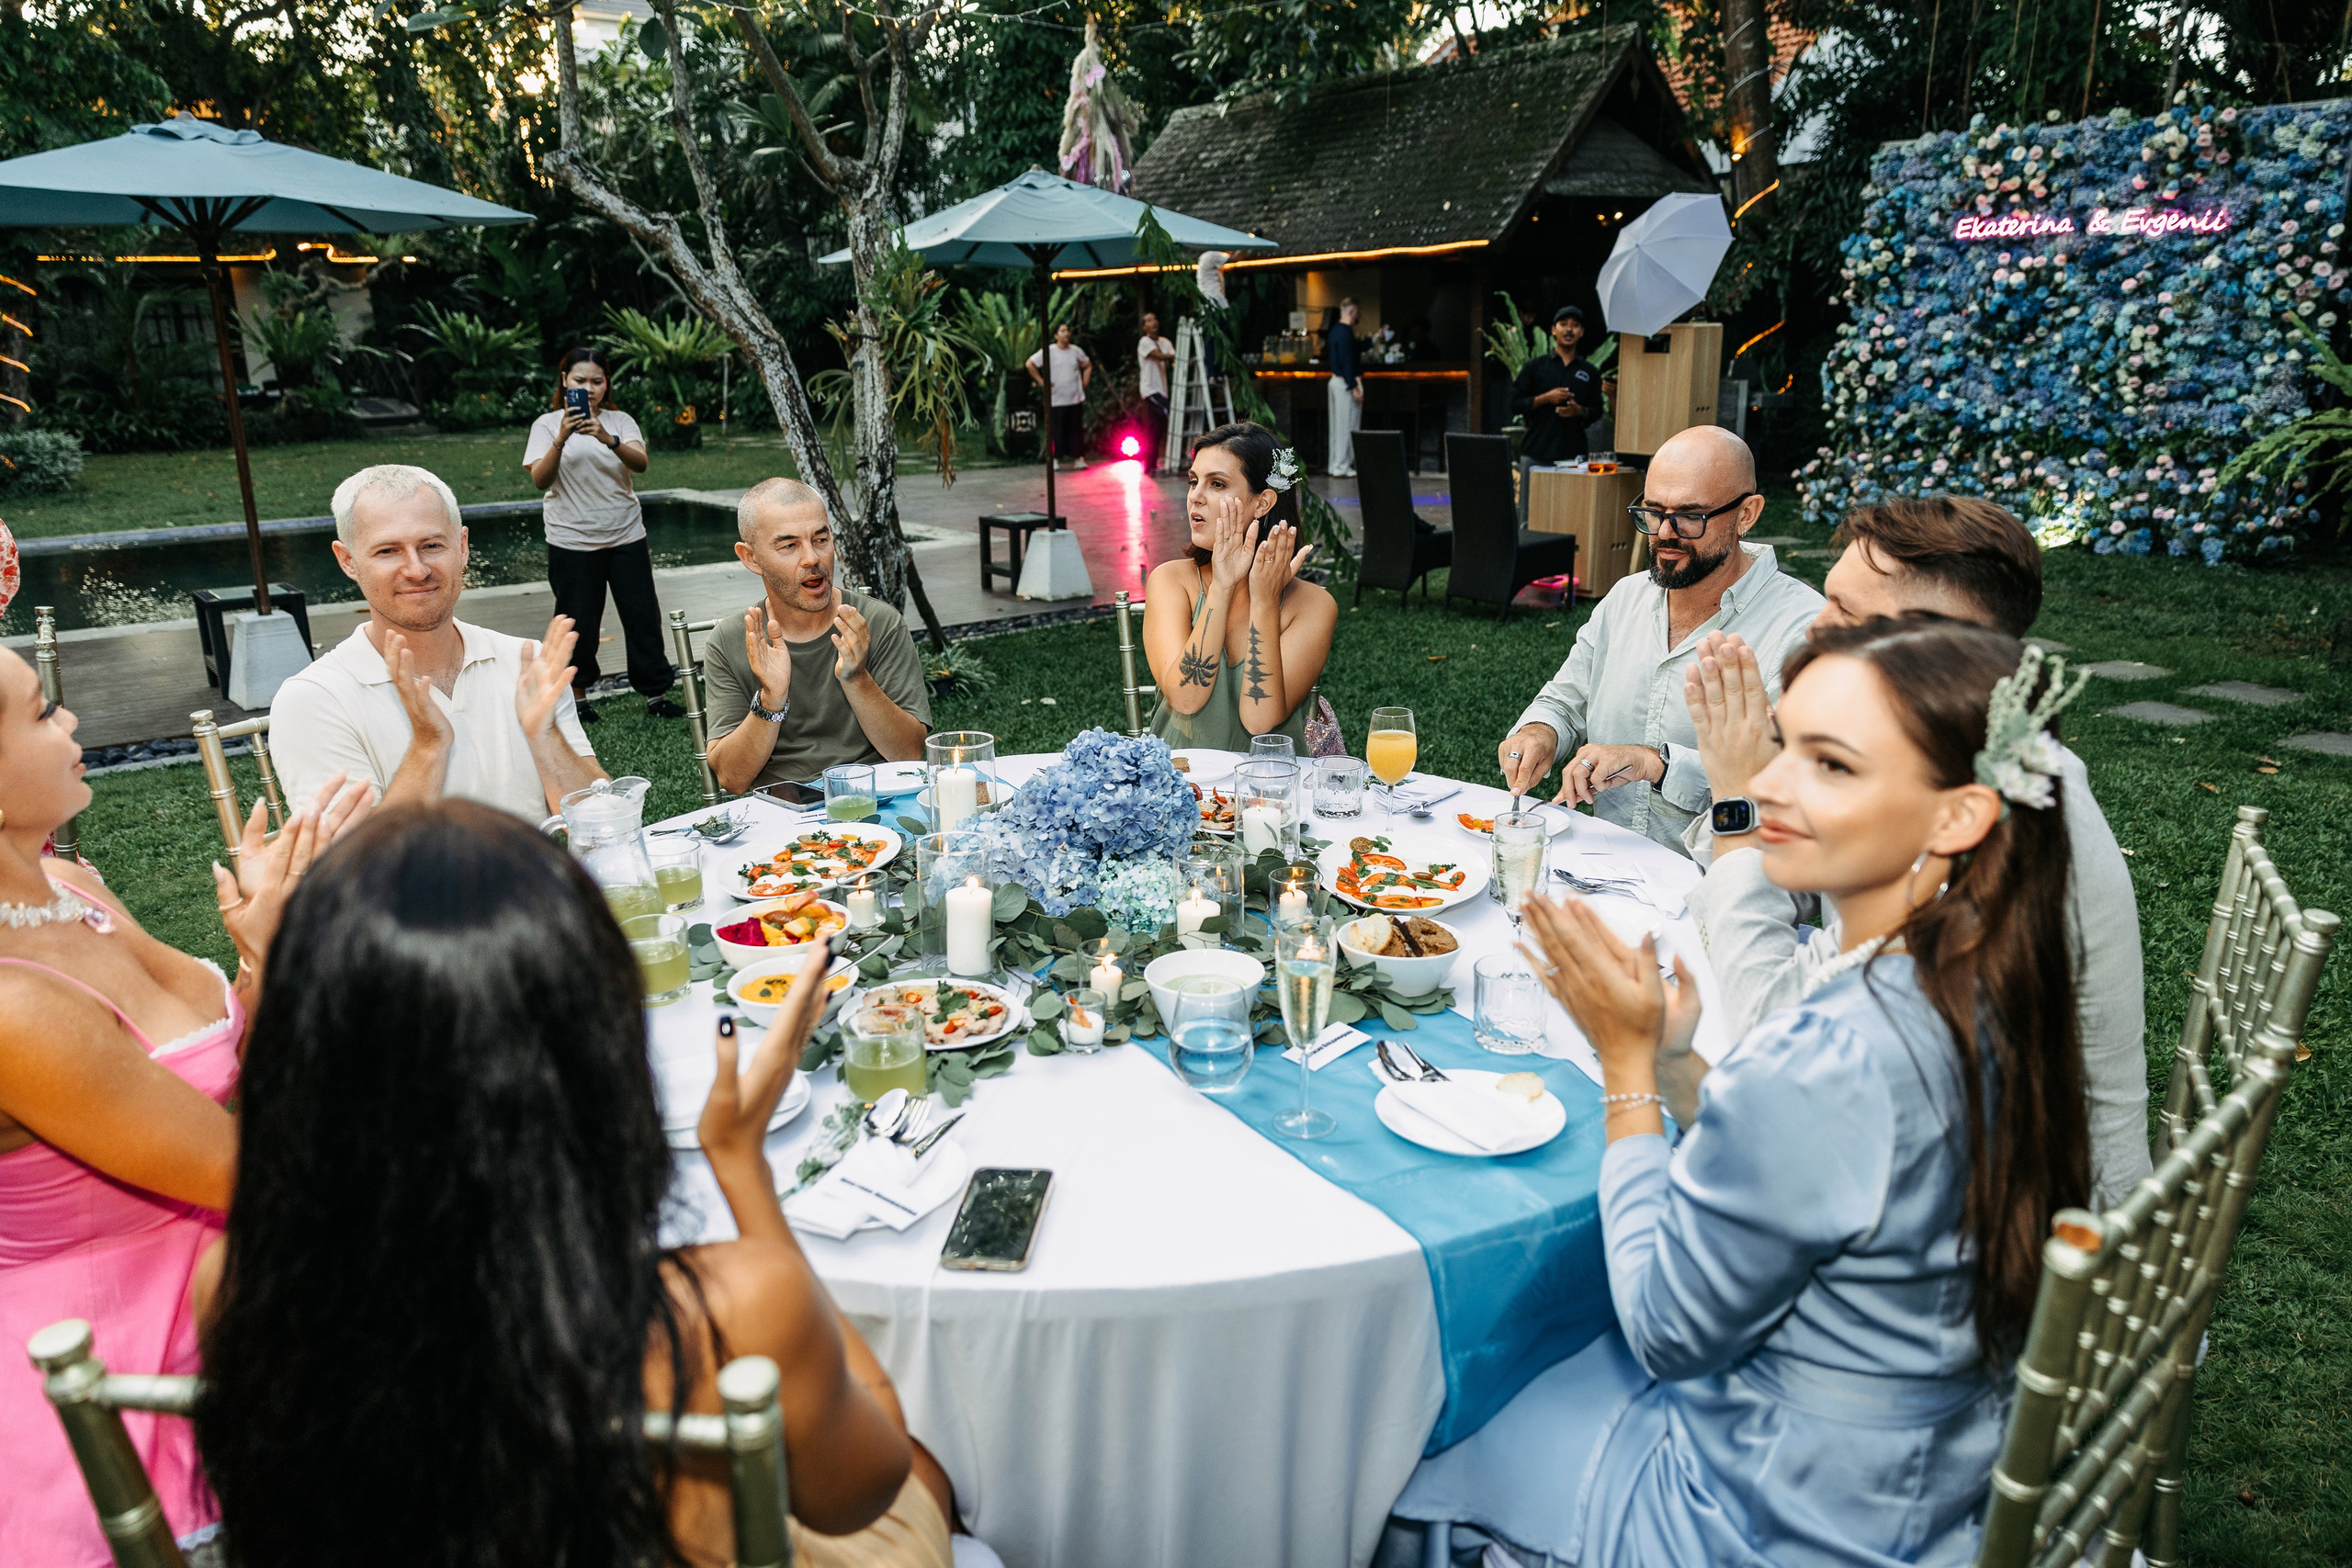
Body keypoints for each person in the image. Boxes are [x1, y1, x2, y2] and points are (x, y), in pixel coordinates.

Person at [1399, 615, 2093, 1566]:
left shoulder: (1828, 1051)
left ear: (1957, 817)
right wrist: (1683, 1064)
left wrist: (1629, 1071)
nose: (1763, 786)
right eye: (1782, 748)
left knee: (1424, 1431)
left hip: (1770, 1515)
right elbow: (1831, 1162)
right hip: (1932, 1466)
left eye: (1829, 765)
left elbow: (1661, 1329)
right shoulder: (1988, 979)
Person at [191, 802, 958, 1568]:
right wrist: (743, 1169)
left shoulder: (233, 1282)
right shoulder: (730, 1309)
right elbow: (871, 1482)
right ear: (593, 1053)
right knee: (930, 1471)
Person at [0, 637, 373, 1568]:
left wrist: (263, 949)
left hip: (239, 1289)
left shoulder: (65, 886)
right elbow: (260, 1177)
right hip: (135, 1373)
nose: (73, 721)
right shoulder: (11, 1006)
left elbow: (202, 1072)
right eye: (44, 712)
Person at [1678, 495, 2152, 1207]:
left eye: (1845, 614)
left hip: (2023, 1247)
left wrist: (1739, 804)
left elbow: (1769, 1026)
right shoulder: (1988, 750)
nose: (1815, 626)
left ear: (1935, 651)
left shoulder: (1981, 825)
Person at [1495, 425, 1821, 853]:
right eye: (1653, 512)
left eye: (1690, 515)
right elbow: (1565, 699)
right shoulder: (1625, 598)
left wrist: (1658, 765)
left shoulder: (1803, 629)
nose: (1665, 532)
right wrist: (1541, 731)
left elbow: (1794, 788)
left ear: (1747, 513)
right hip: (1602, 868)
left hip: (1719, 892)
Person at [273, 464, 607, 821]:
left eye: (431, 545)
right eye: (388, 551)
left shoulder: (526, 664)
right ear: (348, 561)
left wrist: (547, 737)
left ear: (462, 548)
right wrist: (428, 748)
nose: (417, 570)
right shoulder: (314, 700)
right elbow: (355, 869)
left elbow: (601, 822)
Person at [702, 479, 931, 795]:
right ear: (751, 558)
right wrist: (771, 699)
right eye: (789, 546)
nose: (812, 558)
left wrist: (858, 678)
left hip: (875, 798)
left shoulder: (877, 623)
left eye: (820, 539)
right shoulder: (730, 642)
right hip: (780, 813)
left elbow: (908, 756)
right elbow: (732, 777)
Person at [1141, 422, 1336, 750]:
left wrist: (1265, 603)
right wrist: (1223, 585)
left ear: (1262, 503)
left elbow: (1260, 720)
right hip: (1181, 782)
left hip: (1272, 787)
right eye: (1193, 482)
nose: (1195, 498)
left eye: (1216, 484)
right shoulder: (1170, 581)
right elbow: (1186, 698)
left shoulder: (1315, 604)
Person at [523, 346, 682, 723]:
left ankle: (656, 695)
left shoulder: (620, 421)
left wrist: (607, 437)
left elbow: (640, 464)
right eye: (580, 380)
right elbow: (539, 479)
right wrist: (562, 437)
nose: (589, 388)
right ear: (565, 382)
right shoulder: (546, 425)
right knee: (577, 622)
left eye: (597, 380)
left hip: (626, 534)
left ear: (606, 383)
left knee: (642, 616)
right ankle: (578, 700)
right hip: (571, 540)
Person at [1510, 306, 1605, 516]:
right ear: (1553, 330)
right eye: (1563, 324)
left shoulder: (1589, 372)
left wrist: (1579, 411)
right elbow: (1515, 403)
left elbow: (1597, 410)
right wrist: (1546, 398)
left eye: (1575, 325)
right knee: (1530, 514)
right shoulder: (1535, 367)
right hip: (1536, 452)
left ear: (1582, 332)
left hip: (1573, 455)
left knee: (1569, 513)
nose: (1569, 330)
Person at [1025, 322, 1092, 469]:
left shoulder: (1076, 351)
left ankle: (1078, 457)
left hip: (1075, 397)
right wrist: (1042, 382)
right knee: (1057, 430)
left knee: (1075, 429)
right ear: (1056, 335)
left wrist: (1085, 381)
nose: (1066, 333)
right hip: (1056, 399)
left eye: (1068, 330)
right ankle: (1056, 458)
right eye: (1062, 331)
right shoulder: (1049, 351)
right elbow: (1030, 364)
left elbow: (1087, 365)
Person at [1326, 299, 1364, 478]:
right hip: (1344, 383)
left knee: (1337, 426)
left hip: (1335, 380)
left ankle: (1336, 465)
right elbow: (1348, 361)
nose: (1358, 316)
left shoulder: (1334, 331)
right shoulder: (1346, 334)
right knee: (1347, 425)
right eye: (1357, 313)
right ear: (1351, 312)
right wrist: (1354, 385)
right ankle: (1342, 466)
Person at [1136, 311, 1175, 475]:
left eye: (1154, 319)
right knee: (1169, 414)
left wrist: (1173, 356)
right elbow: (1159, 355)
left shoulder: (1164, 341)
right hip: (1150, 390)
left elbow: (1172, 357)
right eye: (1148, 320)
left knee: (1155, 429)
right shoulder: (1144, 342)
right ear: (1144, 327)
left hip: (1162, 390)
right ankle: (1173, 454)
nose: (1153, 323)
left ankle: (1150, 466)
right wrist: (1174, 355)